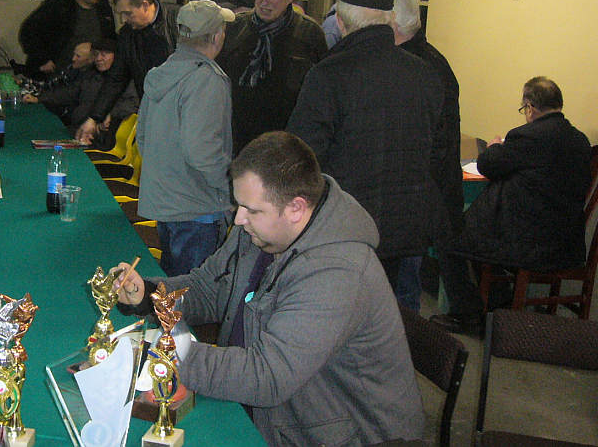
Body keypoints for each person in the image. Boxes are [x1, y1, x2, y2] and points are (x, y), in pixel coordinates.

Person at [111, 132, 424, 446]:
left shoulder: (339, 272)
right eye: (239, 205)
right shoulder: (261, 230)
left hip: (334, 434)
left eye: (251, 209)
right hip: (270, 410)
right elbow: (209, 289)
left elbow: (268, 377)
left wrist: (168, 354)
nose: (239, 218)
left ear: (296, 208)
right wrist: (148, 295)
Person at [286, 0, 444, 309]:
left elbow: (302, 156)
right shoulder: (424, 74)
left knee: (342, 316)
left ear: (341, 22)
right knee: (391, 321)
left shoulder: (328, 75)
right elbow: (436, 151)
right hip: (406, 225)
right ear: (389, 19)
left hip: (346, 225)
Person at [431, 77, 591, 334]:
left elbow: (488, 165)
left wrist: (494, 147)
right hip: (565, 243)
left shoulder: (528, 136)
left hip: (528, 242)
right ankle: (499, 306)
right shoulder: (580, 140)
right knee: (476, 240)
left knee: (448, 238)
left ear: (530, 107)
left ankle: (466, 315)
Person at [138, 0, 235, 276]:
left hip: (166, 205)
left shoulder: (160, 74)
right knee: (191, 296)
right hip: (198, 211)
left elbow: (142, 138)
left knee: (171, 290)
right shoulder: (206, 80)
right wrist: (231, 189)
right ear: (216, 37)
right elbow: (202, 152)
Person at [391, 0, 464, 311]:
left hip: (413, 192)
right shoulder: (428, 59)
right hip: (419, 189)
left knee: (402, 288)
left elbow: (429, 141)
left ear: (392, 21)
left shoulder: (417, 67)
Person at [216, 0, 328, 155]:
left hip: (286, 147)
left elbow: (320, 98)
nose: (264, 1)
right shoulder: (233, 29)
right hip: (236, 144)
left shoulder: (309, 35)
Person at [75, 0, 179, 145]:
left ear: (145, 5)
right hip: (152, 113)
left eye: (127, 13)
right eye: (120, 14)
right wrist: (94, 118)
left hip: (183, 113)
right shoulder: (127, 35)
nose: (123, 20)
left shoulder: (179, 21)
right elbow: (117, 79)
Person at [17, 0, 115, 77]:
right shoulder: (58, 6)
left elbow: (110, 38)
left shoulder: (103, 7)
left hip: (94, 73)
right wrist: (42, 59)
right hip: (60, 71)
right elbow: (28, 32)